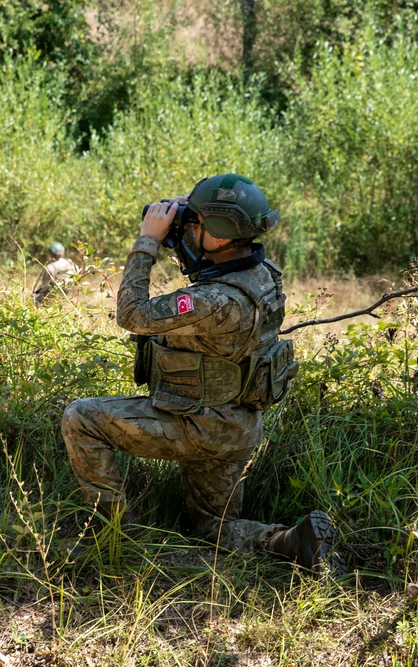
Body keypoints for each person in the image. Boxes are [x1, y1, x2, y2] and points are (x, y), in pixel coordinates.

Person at [61, 173, 341, 572]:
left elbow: (131, 315)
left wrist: (148, 242)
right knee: (213, 526)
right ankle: (291, 542)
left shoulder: (213, 301)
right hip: (238, 426)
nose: (188, 228)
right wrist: (195, 216)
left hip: (196, 427)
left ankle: (113, 535)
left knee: (82, 417)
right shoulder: (262, 274)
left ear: (222, 236)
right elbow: (208, 271)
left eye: (197, 224)